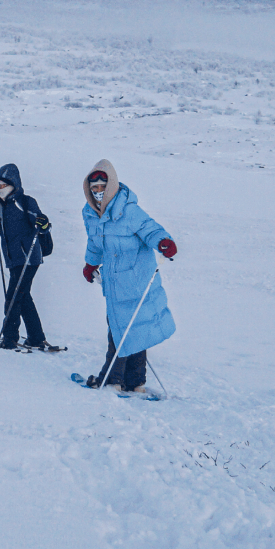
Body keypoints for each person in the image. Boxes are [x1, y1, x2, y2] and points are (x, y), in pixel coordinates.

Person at [80, 160, 176, 392]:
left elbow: (150, 229)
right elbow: (95, 243)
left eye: (103, 187)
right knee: (129, 328)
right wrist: (91, 263)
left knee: (125, 328)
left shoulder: (128, 210)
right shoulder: (90, 213)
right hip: (113, 283)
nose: (99, 192)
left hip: (137, 279)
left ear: (111, 186)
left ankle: (113, 380)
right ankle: (135, 381)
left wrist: (163, 242)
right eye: (94, 189)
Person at [0, 162, 52, 350]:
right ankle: (36, 338)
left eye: (4, 185)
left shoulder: (25, 202)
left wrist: (43, 224)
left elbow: (41, 222)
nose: (1, 189)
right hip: (13, 259)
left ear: (14, 184)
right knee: (23, 297)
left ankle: (10, 338)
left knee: (13, 297)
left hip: (29, 257)